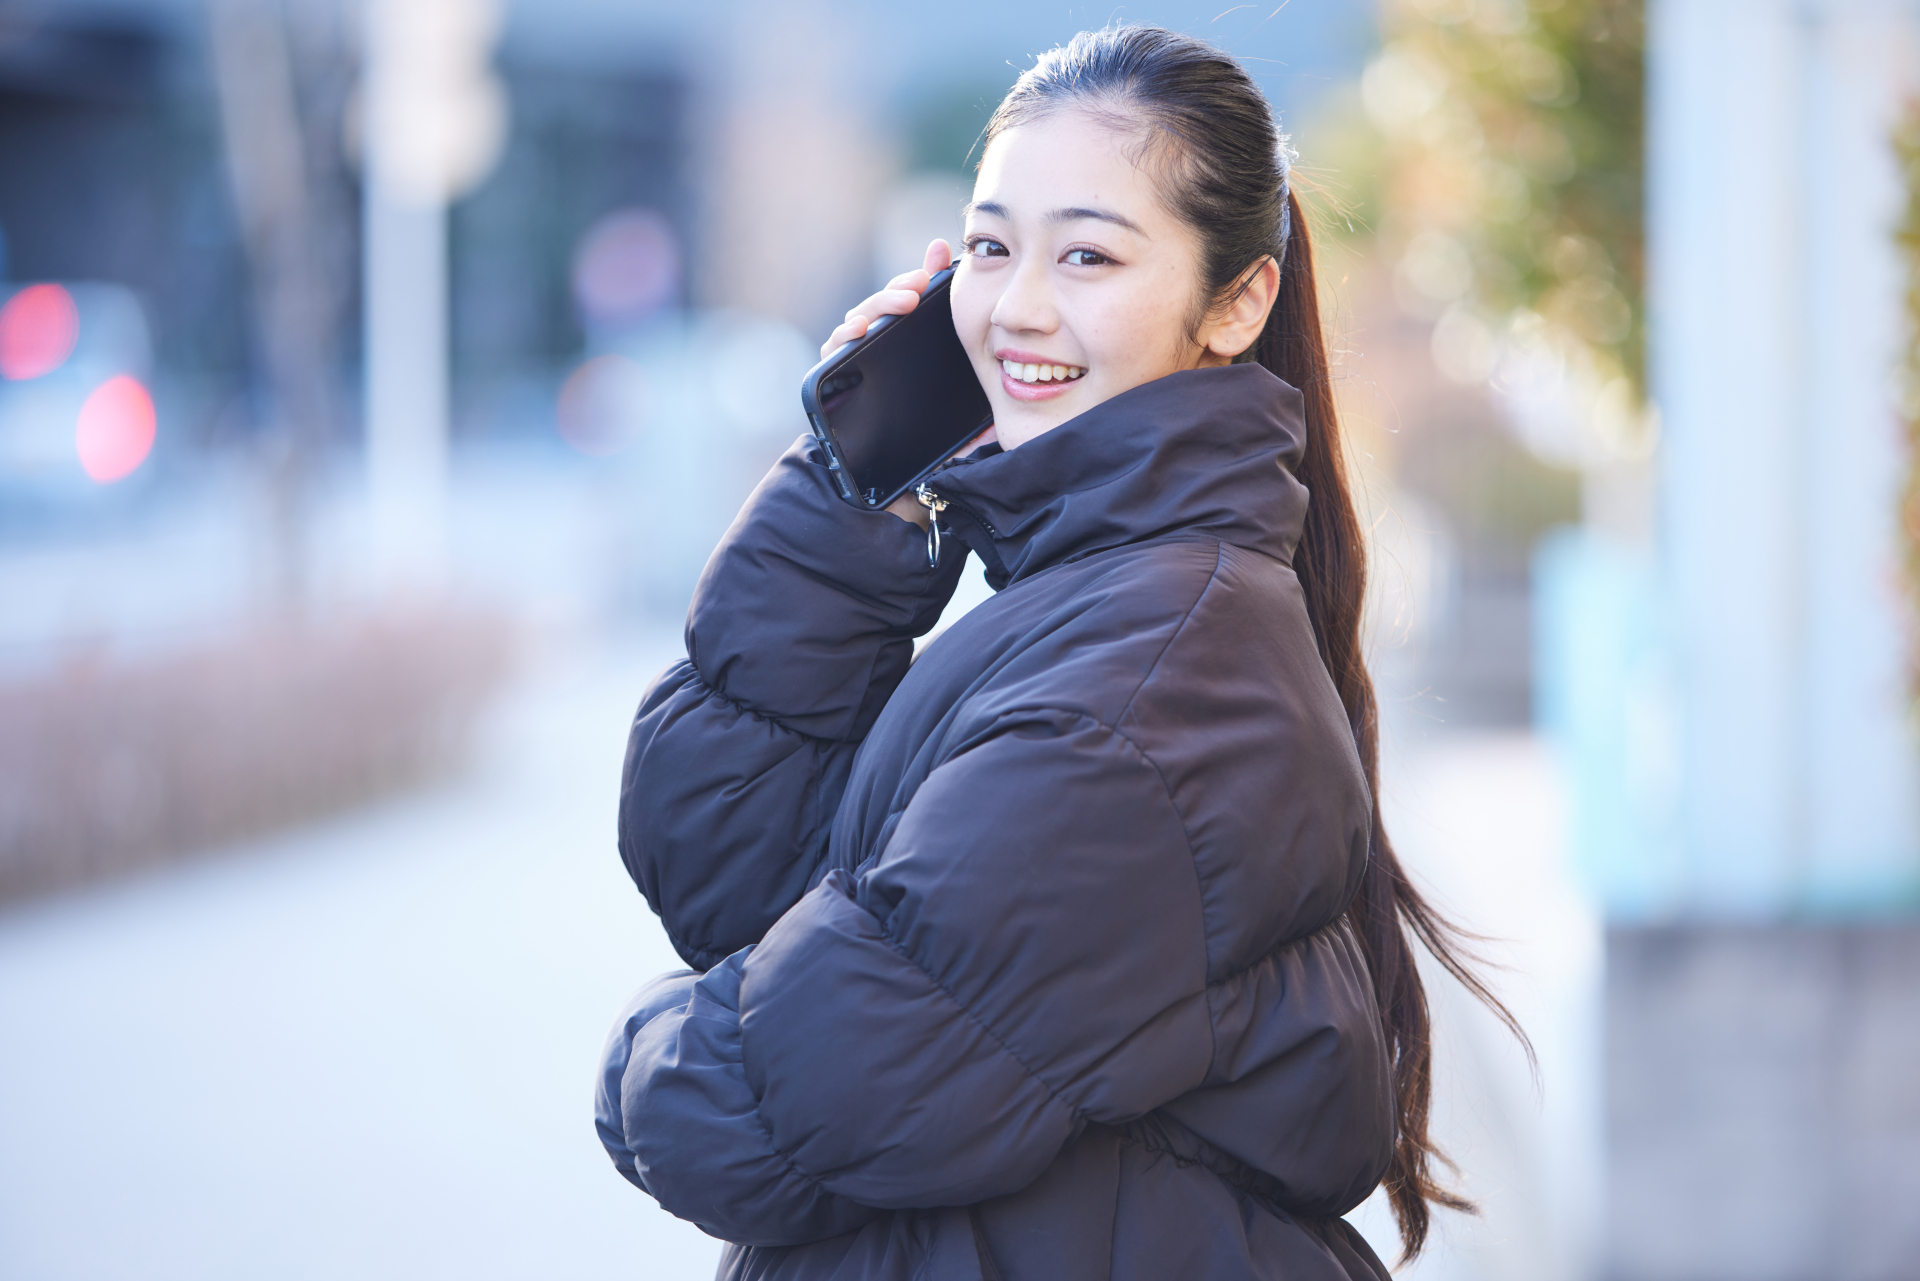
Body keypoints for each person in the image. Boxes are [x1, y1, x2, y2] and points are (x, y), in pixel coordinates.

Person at [596, 24, 1522, 1281]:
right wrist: (858, 489)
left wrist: (636, 1050)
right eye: (989, 246)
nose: (1016, 307)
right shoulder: (1094, 606)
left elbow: (777, 1106)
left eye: (1087, 254)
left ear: (1236, 303)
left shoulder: (1156, 693)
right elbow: (727, 871)